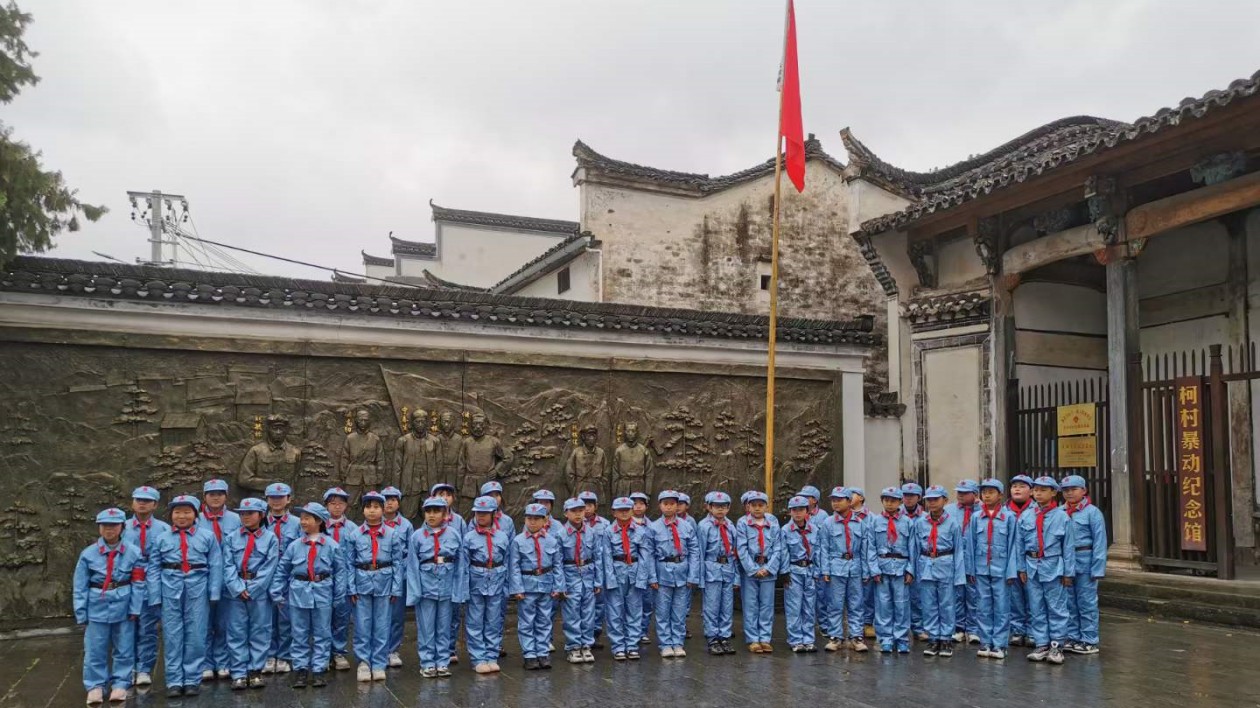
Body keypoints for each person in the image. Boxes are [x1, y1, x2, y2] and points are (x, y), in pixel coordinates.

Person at [147, 495, 223, 698]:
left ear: (195, 514)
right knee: (172, 636)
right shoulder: (161, 538)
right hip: (169, 587)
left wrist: (214, 591)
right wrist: (155, 596)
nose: (182, 516)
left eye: (187, 512)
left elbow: (216, 564)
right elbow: (153, 568)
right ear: (171, 514)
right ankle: (173, 680)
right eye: (177, 512)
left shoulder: (207, 536)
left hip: (197, 587)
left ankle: (191, 679)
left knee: (197, 634)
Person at [75, 507, 144, 706]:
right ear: (99, 528)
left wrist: (135, 608)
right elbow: (80, 585)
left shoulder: (133, 552)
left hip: (123, 604)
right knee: (95, 648)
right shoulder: (88, 554)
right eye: (105, 525)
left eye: (114, 525)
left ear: (122, 527)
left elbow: (138, 583)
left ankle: (121, 683)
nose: (109, 529)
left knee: (124, 647)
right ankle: (95, 685)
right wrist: (81, 612)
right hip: (96, 605)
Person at [273, 502, 346, 689]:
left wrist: (338, 596)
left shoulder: (332, 545)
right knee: (299, 633)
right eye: (302, 518)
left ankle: (319, 669)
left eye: (307, 518)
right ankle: (301, 669)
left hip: (323, 592)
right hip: (298, 593)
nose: (303, 521)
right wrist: (277, 591)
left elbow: (340, 571)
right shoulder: (295, 546)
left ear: (319, 521)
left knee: (322, 632)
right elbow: (283, 569)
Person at [221, 497, 280, 690]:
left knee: (260, 630)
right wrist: (238, 588)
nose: (245, 517)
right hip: (235, 590)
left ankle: (255, 670)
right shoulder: (231, 538)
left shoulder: (271, 538)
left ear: (261, 515)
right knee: (236, 631)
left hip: (258, 591)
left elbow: (270, 566)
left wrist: (253, 588)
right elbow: (227, 565)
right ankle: (238, 672)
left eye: (250, 513)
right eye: (242, 513)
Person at [347, 491, 404, 682]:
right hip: (362, 583)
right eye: (368, 507)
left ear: (382, 509)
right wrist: (351, 587)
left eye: (376, 507)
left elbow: (397, 563)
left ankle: (379, 663)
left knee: (382, 624)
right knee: (362, 624)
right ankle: (364, 662)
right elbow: (349, 563)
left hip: (384, 583)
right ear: (363, 510)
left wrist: (396, 588)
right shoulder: (354, 534)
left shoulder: (392, 534)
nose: (372, 511)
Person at [407, 496, 466, 678]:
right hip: (426, 589)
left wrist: (459, 590)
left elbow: (460, 565)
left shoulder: (454, 535)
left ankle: (442, 661)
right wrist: (415, 591)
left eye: (436, 511)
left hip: (447, 587)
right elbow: (411, 566)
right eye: (428, 511)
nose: (432, 515)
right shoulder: (417, 537)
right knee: (426, 627)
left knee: (444, 626)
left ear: (445, 513)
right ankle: (427, 662)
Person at [1018, 476, 1075, 665]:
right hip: (1031, 564)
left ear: (1053, 492)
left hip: (1053, 565)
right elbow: (1019, 545)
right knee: (1036, 607)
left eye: (1044, 490)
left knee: (1057, 607)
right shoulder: (1026, 515)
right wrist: (1021, 568)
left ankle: (1057, 645)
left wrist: (1068, 572)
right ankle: (1041, 643)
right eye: (1036, 490)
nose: (1039, 493)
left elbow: (1068, 547)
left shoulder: (1062, 516)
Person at [966, 479, 1019, 660]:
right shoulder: (976, 517)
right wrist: (970, 570)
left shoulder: (1009, 517)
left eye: (991, 491)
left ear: (1000, 495)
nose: (986, 495)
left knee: (1002, 607)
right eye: (984, 492)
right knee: (983, 606)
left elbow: (1014, 546)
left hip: (1002, 569)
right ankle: (985, 641)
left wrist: (1012, 571)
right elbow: (970, 545)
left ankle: (1000, 644)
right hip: (981, 569)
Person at [507, 503, 565, 670]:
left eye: (536, 519)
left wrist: (558, 587)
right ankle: (529, 654)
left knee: (544, 620)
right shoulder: (518, 541)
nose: (532, 522)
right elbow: (514, 566)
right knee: (526, 621)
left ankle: (542, 652)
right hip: (527, 586)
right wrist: (517, 589)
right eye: (529, 518)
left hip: (546, 585)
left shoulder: (552, 540)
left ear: (545, 520)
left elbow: (557, 565)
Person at [459, 495, 512, 674]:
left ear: (493, 514)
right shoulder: (468, 538)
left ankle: (491, 655)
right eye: (478, 513)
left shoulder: (503, 537)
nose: (480, 517)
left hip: (496, 582)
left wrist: (507, 585)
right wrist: (464, 588)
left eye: (484, 513)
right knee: (475, 621)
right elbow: (464, 565)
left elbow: (507, 562)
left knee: (493, 621)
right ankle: (478, 658)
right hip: (476, 583)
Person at [122, 485, 168, 688]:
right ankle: (127, 668)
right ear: (132, 502)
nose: (142, 503)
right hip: (128, 584)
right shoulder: (121, 527)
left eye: (147, 500)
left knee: (148, 629)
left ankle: (144, 669)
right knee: (126, 629)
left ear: (155, 505)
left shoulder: (164, 529)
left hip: (152, 584)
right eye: (138, 499)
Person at [912, 485, 964, 658]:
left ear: (945, 501)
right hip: (926, 564)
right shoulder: (920, 523)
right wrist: (912, 571)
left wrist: (959, 575)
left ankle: (946, 638)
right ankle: (933, 637)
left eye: (936, 499)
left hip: (946, 564)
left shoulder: (953, 523)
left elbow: (958, 550)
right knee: (928, 604)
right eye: (929, 500)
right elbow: (914, 549)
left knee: (947, 604)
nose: (932, 503)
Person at [821, 486, 874, 652]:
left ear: (849, 502)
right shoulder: (828, 523)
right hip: (836, 566)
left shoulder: (860, 523)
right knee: (835, 603)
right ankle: (835, 636)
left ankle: (856, 636)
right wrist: (826, 570)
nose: (835, 503)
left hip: (855, 566)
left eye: (839, 500)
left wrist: (866, 571)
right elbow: (824, 548)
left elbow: (866, 549)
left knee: (856, 603)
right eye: (833, 500)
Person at [197, 478, 240, 682]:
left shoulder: (237, 519)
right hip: (202, 578)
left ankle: (223, 661)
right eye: (211, 493)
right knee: (203, 622)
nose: (215, 497)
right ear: (204, 497)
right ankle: (205, 663)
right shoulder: (194, 519)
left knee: (224, 623)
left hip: (228, 577)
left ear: (226, 496)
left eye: (220, 493)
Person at [646, 490, 698, 658]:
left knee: (679, 611)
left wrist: (693, 575)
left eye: (672, 504)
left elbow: (694, 551)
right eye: (665, 503)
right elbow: (649, 554)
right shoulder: (653, 528)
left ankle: (678, 642)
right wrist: (652, 577)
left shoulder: (687, 526)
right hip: (663, 571)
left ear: (678, 506)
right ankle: (666, 643)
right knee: (662, 611)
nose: (669, 507)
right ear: (660, 506)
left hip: (682, 570)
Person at [602, 496, 653, 660]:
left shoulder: (640, 530)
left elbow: (645, 556)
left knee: (635, 610)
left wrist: (642, 578)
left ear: (632, 511)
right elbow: (606, 557)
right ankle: (618, 646)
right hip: (616, 572)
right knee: (615, 611)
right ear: (613, 512)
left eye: (627, 510)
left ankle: (632, 645)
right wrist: (609, 579)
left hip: (635, 571)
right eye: (620, 510)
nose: (624, 513)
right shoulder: (608, 532)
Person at [1061, 475, 1106, 656]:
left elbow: (1100, 541)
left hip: (1085, 560)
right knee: (1068, 602)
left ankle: (1089, 640)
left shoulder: (1092, 512)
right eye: (1066, 490)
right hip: (1066, 562)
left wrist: (1098, 568)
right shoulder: (1059, 512)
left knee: (1086, 602)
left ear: (1084, 491)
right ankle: (1072, 637)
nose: (1070, 493)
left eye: (1074, 489)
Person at [871, 487, 917, 653]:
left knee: (902, 604)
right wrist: (874, 569)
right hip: (882, 567)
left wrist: (911, 570)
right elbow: (871, 547)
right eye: (886, 500)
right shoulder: (875, 521)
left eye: (893, 500)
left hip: (901, 567)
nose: (889, 504)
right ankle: (886, 638)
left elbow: (913, 548)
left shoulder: (907, 522)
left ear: (900, 502)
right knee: (883, 604)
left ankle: (902, 638)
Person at [263, 482, 302, 674]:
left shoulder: (297, 523)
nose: (276, 501)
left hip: (288, 578)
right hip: (265, 577)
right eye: (272, 498)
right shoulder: (259, 521)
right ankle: (269, 654)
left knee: (286, 619)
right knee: (266, 618)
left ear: (288, 499)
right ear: (267, 500)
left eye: (281, 497)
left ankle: (285, 655)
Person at [559, 497, 603, 663]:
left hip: (588, 574)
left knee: (588, 612)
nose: (578, 515)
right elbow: (558, 562)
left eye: (581, 511)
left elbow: (597, 557)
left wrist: (598, 581)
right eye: (573, 511)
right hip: (570, 574)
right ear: (566, 513)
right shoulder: (561, 534)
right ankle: (573, 646)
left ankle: (586, 644)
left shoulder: (591, 532)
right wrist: (560, 584)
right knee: (572, 613)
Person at [736, 490, 781, 653]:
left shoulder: (773, 521)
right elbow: (741, 548)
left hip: (769, 568)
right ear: (748, 506)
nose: (757, 508)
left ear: (766, 506)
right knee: (750, 604)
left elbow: (778, 547)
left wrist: (768, 568)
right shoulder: (743, 523)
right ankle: (753, 639)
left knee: (767, 605)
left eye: (760, 505)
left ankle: (765, 638)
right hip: (751, 570)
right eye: (753, 505)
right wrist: (754, 569)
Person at [694, 492, 738, 656]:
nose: (720, 510)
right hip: (711, 568)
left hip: (728, 568)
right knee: (712, 606)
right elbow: (700, 552)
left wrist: (736, 576)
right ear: (709, 507)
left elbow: (734, 552)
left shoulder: (730, 526)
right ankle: (712, 638)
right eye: (716, 506)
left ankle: (725, 637)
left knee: (727, 606)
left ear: (728, 508)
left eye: (724, 507)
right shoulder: (704, 526)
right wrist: (700, 577)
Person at [782, 495, 824, 653]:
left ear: (808, 511)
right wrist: (785, 573)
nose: (798, 513)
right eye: (794, 510)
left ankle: (808, 639)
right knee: (794, 606)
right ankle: (795, 639)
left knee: (809, 606)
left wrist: (818, 571)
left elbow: (818, 551)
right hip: (794, 571)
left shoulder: (814, 530)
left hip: (810, 570)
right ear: (790, 512)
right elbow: (784, 553)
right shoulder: (785, 530)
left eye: (801, 509)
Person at [323, 486, 358, 672]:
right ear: (326, 506)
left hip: (344, 578)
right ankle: (323, 652)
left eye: (341, 503)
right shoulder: (319, 526)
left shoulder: (353, 528)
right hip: (323, 578)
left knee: (342, 617)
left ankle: (338, 651)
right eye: (332, 503)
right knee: (322, 617)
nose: (337, 507)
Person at [380, 486, 413, 668]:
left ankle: (393, 650)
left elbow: (410, 552)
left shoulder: (406, 525)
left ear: (398, 503)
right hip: (378, 576)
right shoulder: (375, 523)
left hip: (400, 576)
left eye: (393, 499)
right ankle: (379, 649)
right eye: (385, 499)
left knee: (396, 615)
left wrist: (403, 574)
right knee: (379, 615)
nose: (389, 503)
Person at [950, 480, 981, 645]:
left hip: (975, 557)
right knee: (957, 593)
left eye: (965, 492)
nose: (960, 495)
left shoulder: (982, 510)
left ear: (975, 494)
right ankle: (958, 628)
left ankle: (974, 629)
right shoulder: (949, 510)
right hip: (956, 556)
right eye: (958, 492)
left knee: (974, 594)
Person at [1006, 474, 1035, 647]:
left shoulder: (1037, 510)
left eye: (1022, 486)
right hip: (1009, 560)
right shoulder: (1003, 511)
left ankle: (1032, 631)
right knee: (1014, 597)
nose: (1017, 489)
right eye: (1014, 486)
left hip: (1031, 561)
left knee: (1033, 597)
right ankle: (1017, 630)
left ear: (1031, 491)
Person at [900, 482, 927, 640]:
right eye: (905, 496)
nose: (908, 499)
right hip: (901, 560)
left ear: (918, 497)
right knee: (900, 596)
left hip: (920, 559)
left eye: (911, 496)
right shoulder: (896, 515)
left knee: (918, 595)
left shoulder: (925, 518)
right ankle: (900, 629)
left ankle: (918, 627)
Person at [848, 487, 877, 638]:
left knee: (867, 593)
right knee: (853, 596)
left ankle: (867, 623)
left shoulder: (871, 517)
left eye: (851, 494)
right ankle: (854, 626)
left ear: (860, 497)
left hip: (867, 559)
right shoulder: (844, 516)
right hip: (850, 561)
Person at [629, 490, 653, 645]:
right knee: (631, 602)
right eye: (634, 504)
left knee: (647, 602)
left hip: (648, 568)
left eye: (641, 504)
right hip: (630, 568)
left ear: (646, 506)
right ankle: (631, 631)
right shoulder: (621, 524)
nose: (637, 507)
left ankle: (643, 631)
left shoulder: (652, 526)